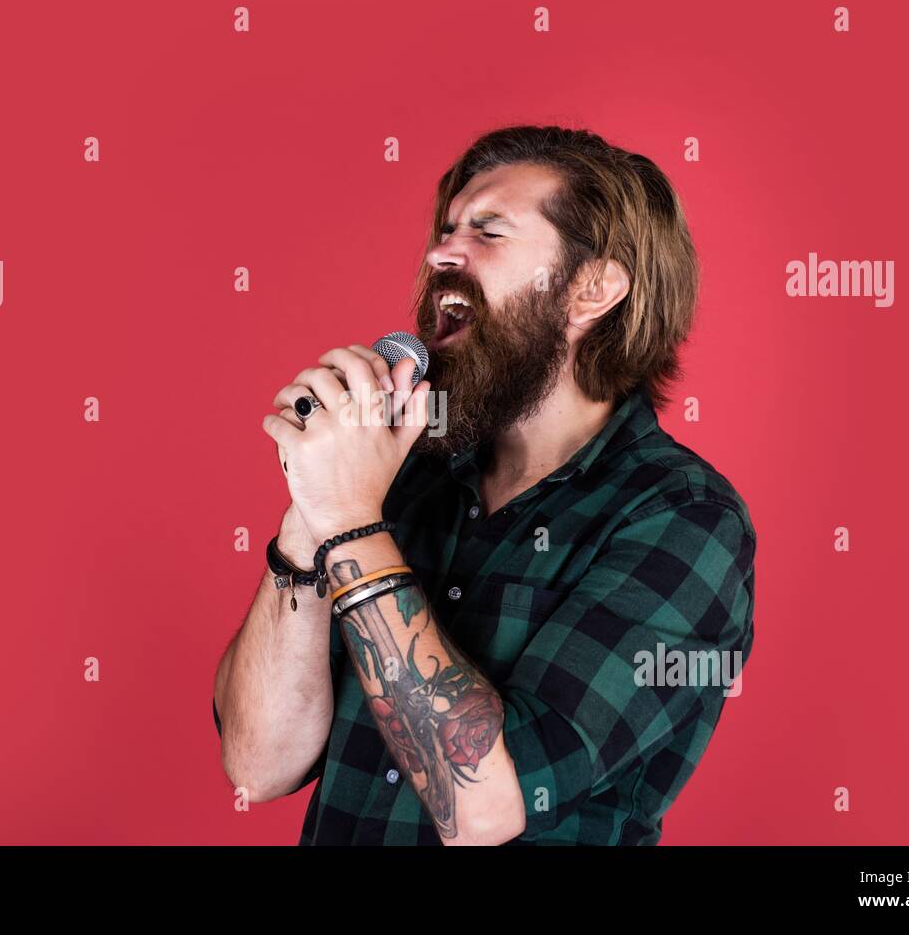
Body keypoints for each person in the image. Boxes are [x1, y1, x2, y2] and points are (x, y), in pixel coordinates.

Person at [213, 125, 757, 845]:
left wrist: (349, 519)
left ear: (593, 288)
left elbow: (481, 806)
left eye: (488, 231)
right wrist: (309, 517)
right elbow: (258, 763)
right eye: (444, 230)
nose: (441, 252)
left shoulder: (683, 519)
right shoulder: (401, 480)